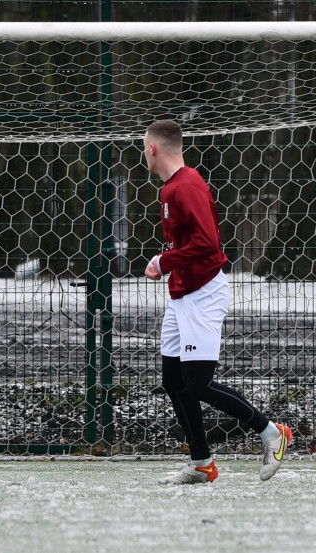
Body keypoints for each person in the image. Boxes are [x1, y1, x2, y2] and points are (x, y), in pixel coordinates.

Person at [143, 119, 291, 484]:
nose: (144, 154)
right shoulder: (172, 188)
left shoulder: (186, 186)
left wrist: (164, 261)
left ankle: (272, 432)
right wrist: (169, 265)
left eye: (144, 148)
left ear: (154, 149)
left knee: (197, 384)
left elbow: (208, 244)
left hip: (204, 294)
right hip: (182, 295)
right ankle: (201, 463)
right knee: (173, 380)